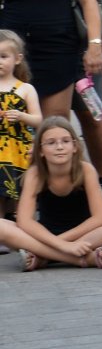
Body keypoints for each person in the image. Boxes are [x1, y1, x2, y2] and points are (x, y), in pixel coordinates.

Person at [0, 114, 102, 268]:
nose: (59, 147)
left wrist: (62, 242)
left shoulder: (86, 170)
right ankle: (82, 259)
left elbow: (100, 217)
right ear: (40, 150)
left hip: (85, 235)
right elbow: (25, 221)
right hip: (46, 235)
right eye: (51, 143)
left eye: (65, 141)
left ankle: (43, 257)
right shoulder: (35, 174)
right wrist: (63, 246)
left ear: (74, 146)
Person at [0, 29, 39, 218]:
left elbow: (39, 119)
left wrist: (22, 116)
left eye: (3, 56)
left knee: (20, 192)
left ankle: (22, 229)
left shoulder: (25, 89)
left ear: (17, 59)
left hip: (18, 148)